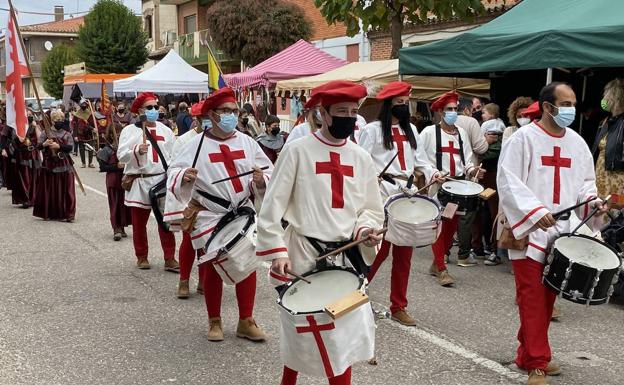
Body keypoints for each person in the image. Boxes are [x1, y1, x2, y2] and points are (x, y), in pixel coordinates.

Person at [256, 80, 384, 385]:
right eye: (341, 111)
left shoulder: (361, 157)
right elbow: (273, 204)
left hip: (345, 256)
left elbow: (370, 207)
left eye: (353, 111)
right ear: (323, 113)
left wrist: (365, 228)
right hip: (303, 253)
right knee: (301, 331)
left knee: (343, 333)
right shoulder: (298, 150)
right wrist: (277, 251)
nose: (349, 118)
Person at [498, 82, 607, 385]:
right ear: (547, 107)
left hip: (563, 232)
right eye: (566, 103)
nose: (571, 109)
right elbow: (509, 182)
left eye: (573, 103)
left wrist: (593, 204)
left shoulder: (577, 142)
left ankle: (526, 352)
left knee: (547, 296)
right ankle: (536, 362)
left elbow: (585, 183)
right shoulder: (523, 139)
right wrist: (535, 211)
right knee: (532, 296)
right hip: (531, 231)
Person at [166, 87, 272, 342]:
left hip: (240, 212)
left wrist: (261, 180)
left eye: (234, 112)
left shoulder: (247, 142)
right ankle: (214, 321)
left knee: (247, 264)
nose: (232, 116)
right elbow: (174, 172)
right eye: (226, 111)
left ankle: (246, 320)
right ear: (212, 115)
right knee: (213, 266)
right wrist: (184, 176)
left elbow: (269, 171)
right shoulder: (194, 145)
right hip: (210, 214)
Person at [359, 81, 440, 326]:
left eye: (406, 103)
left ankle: (399, 305)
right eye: (400, 103)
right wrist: (370, 179)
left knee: (404, 253)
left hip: (407, 195)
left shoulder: (412, 131)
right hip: (381, 194)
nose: (404, 107)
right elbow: (360, 161)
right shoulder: (372, 130)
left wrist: (433, 173)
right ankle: (355, 295)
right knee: (377, 252)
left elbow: (421, 161)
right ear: (389, 105)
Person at [418, 91, 483, 286]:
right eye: (449, 109)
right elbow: (420, 159)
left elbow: (467, 160)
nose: (453, 112)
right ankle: (441, 268)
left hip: (459, 187)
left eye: (455, 109)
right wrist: (433, 173)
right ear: (439, 112)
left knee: (451, 227)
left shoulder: (461, 133)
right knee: (439, 227)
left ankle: (436, 264)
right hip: (439, 187)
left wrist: (474, 170)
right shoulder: (429, 132)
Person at [117, 92, 178, 271]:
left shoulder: (165, 130)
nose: (153, 110)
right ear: (140, 110)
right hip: (140, 182)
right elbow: (121, 155)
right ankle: (141, 256)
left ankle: (169, 257)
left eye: (155, 107)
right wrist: (136, 150)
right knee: (139, 223)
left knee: (165, 222)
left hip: (160, 181)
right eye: (149, 107)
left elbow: (174, 155)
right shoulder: (130, 131)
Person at [166, 100, 207, 299]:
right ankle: (184, 280)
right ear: (196, 120)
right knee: (189, 241)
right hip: (190, 198)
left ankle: (204, 280)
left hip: (213, 200)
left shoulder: (218, 140)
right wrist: (183, 175)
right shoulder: (184, 141)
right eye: (204, 118)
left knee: (209, 244)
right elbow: (173, 168)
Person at [475, 104, 506, 265]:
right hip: (485, 178)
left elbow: (487, 152)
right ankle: (483, 246)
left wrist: (479, 153)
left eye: (485, 112)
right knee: (484, 211)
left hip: (492, 179)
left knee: (493, 213)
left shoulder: (498, 137)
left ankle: (494, 250)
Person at [33, 110, 76, 221]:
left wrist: (59, 146)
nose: (59, 122)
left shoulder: (67, 134)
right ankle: (50, 212)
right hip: (49, 164)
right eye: (57, 120)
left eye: (61, 120)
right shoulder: (45, 133)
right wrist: (44, 144)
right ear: (52, 121)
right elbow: (37, 147)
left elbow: (71, 147)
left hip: (64, 163)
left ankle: (67, 213)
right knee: (50, 188)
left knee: (66, 189)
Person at [593, 78, 624, 207]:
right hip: (602, 175)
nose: (604, 98)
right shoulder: (605, 122)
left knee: (616, 208)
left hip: (618, 178)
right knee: (601, 210)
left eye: (606, 94)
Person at [97, 123, 130, 241]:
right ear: (110, 135)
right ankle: (116, 228)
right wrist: (116, 166)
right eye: (116, 132)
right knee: (115, 204)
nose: (119, 135)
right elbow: (103, 168)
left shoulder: (125, 148)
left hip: (125, 179)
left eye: (120, 132)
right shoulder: (106, 150)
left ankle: (123, 227)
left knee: (125, 204)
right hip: (113, 180)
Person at [71, 99, 97, 168]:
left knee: (90, 148)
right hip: (80, 134)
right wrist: (75, 135)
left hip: (89, 134)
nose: (84, 106)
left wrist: (94, 128)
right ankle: (83, 163)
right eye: (82, 105)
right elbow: (74, 125)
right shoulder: (76, 115)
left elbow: (92, 123)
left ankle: (90, 163)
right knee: (81, 149)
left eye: (85, 105)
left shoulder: (90, 114)